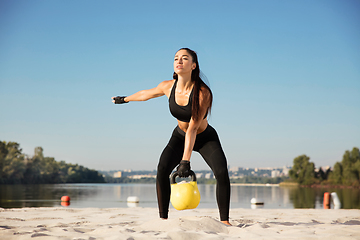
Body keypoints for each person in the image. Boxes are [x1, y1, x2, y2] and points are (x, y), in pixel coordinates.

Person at [112, 48, 231, 225]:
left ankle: (225, 221)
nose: (179, 61)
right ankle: (163, 218)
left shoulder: (202, 93)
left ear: (193, 65)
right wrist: (125, 99)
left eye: (184, 58)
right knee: (162, 169)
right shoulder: (168, 86)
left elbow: (192, 128)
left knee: (221, 172)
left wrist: (185, 161)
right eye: (176, 58)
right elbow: (146, 94)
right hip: (179, 136)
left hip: (205, 137)